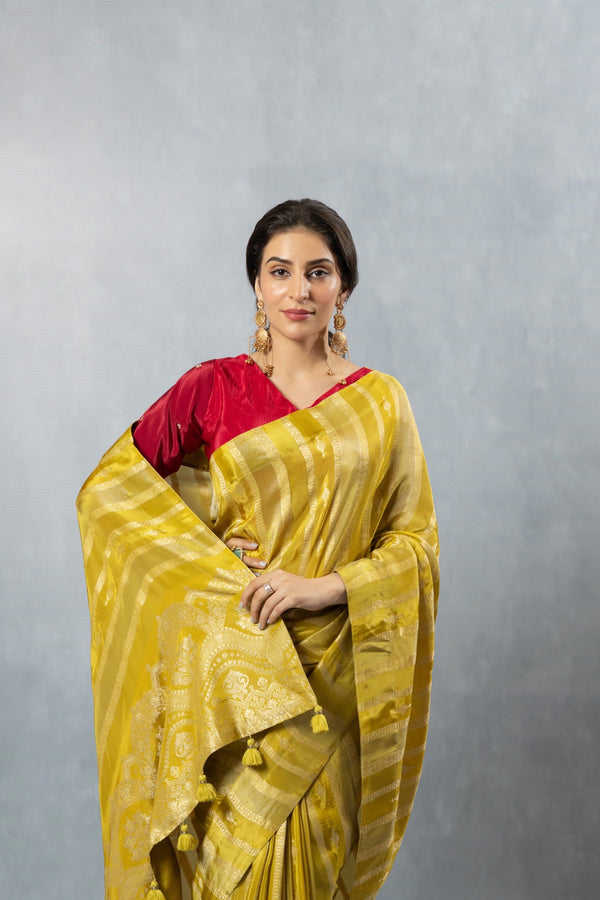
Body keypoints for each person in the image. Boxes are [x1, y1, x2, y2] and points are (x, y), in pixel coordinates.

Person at [76, 198, 440, 900]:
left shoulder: (382, 403)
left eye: (318, 272)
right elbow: (113, 494)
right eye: (281, 272)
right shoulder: (213, 389)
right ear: (257, 286)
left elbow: (415, 541)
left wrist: (328, 585)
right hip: (242, 675)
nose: (299, 291)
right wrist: (208, 562)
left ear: (343, 288)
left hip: (339, 678)